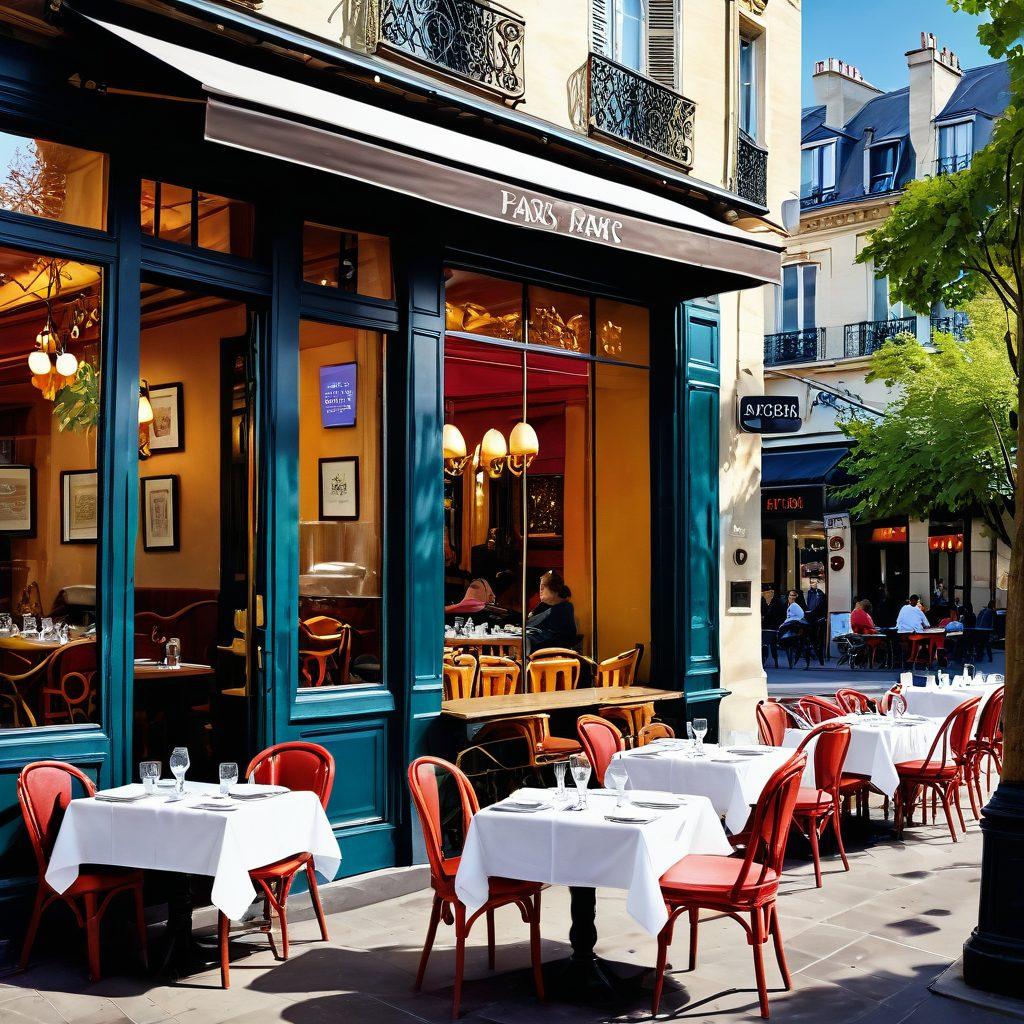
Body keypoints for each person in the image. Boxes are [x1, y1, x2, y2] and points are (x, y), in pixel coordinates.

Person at [525, 570, 577, 654]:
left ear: (555, 590)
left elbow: (562, 637)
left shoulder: (564, 608)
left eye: (542, 588)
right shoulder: (543, 607)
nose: (540, 591)